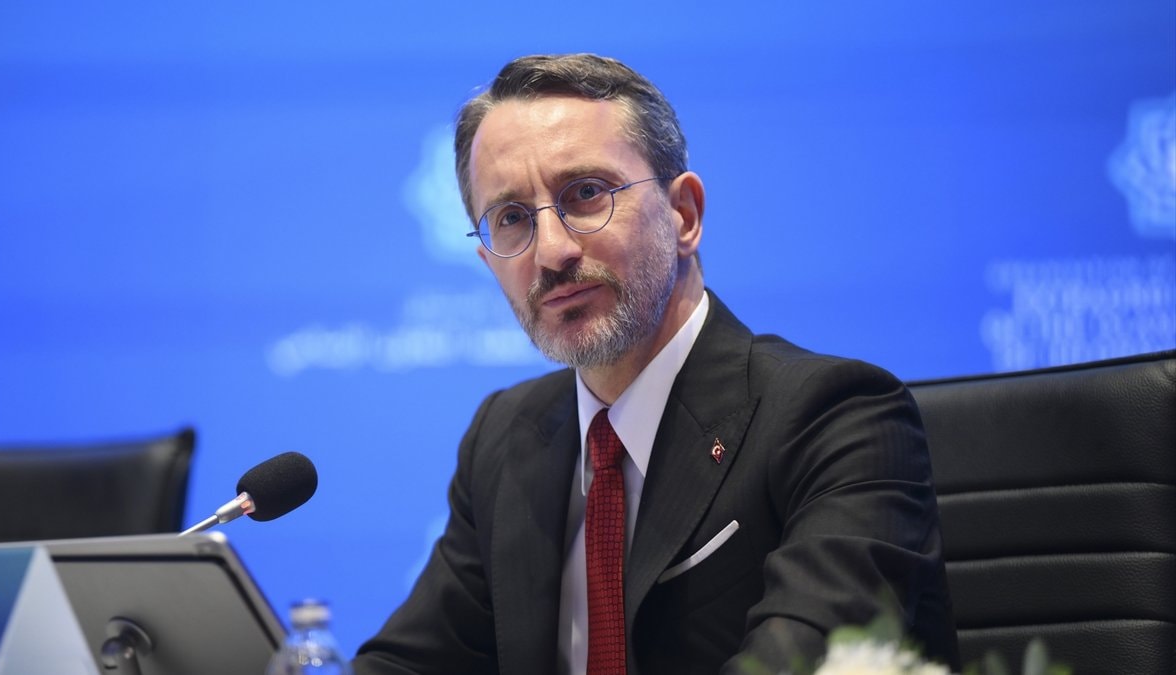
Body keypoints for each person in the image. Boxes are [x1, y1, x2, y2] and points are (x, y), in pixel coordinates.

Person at [354, 53, 958, 675]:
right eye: (511, 219)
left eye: (586, 194)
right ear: (489, 263)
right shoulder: (506, 438)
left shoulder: (836, 419)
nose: (552, 252)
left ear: (684, 215)